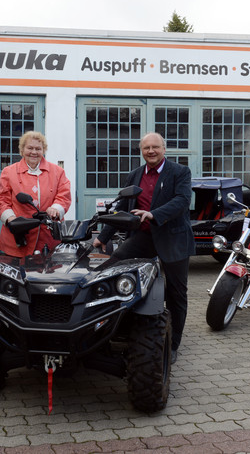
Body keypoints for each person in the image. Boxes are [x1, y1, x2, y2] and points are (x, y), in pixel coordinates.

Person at [93, 132, 195, 364]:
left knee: (176, 293)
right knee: (110, 268)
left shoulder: (180, 172)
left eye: (155, 147)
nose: (151, 151)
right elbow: (122, 206)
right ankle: (111, 327)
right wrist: (103, 236)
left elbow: (182, 201)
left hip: (173, 237)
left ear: (164, 149)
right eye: (146, 148)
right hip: (144, 237)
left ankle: (173, 344)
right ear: (141, 151)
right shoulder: (135, 174)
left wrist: (153, 214)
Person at [0, 131, 71, 257]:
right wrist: (11, 219)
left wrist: (56, 209)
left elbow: (64, 195)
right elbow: (2, 200)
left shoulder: (58, 172)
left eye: (38, 149)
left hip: (48, 238)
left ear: (43, 150)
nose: (34, 152)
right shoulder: (9, 172)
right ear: (22, 149)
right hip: (18, 239)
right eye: (30, 148)